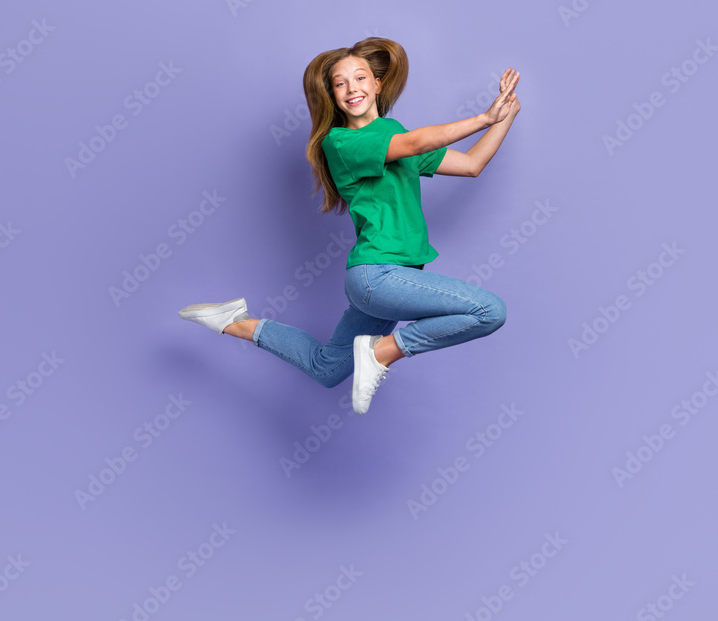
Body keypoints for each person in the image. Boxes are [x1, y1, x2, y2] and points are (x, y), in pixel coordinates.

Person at [179, 37, 520, 415]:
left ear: (377, 84)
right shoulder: (341, 142)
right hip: (378, 276)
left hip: (393, 281)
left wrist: (505, 118)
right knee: (489, 311)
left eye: (360, 78)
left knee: (327, 368)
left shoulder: (392, 132)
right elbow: (411, 144)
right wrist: (482, 118)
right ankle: (381, 353)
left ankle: (234, 322)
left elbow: (471, 164)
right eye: (340, 83)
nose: (351, 88)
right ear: (332, 95)